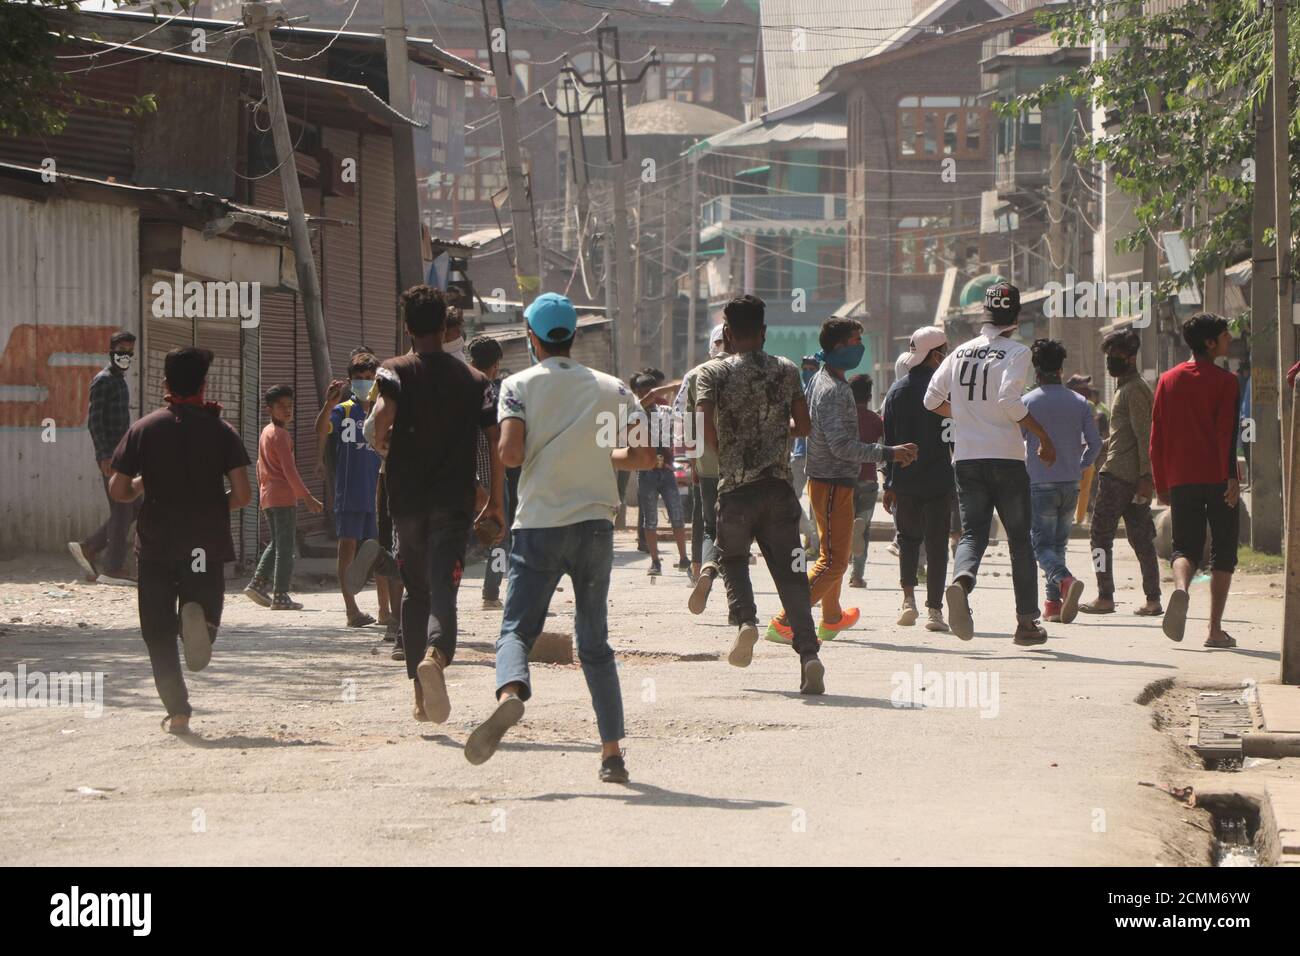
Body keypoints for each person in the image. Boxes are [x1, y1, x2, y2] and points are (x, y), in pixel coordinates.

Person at [463, 293, 655, 782]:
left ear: (532, 338)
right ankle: (612, 754)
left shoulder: (517, 386)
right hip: (594, 527)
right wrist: (596, 456)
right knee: (594, 643)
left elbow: (508, 454)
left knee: (516, 630)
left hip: (539, 527)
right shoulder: (614, 389)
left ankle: (510, 695)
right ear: (570, 336)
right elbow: (643, 457)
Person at [369, 286, 504, 726]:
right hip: (454, 502)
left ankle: (419, 694)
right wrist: (496, 500)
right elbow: (494, 441)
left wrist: (381, 439)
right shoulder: (476, 381)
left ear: (407, 326)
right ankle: (436, 657)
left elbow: (384, 416)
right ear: (446, 329)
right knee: (444, 588)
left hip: (407, 502)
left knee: (416, 592)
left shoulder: (393, 371)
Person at [107, 347, 252, 734]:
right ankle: (200, 620)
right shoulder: (221, 431)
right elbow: (241, 495)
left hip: (156, 545)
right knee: (205, 608)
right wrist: (213, 504)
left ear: (165, 384)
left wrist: (143, 481)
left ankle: (178, 711)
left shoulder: (144, 429)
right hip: (203, 544)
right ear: (205, 386)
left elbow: (119, 490)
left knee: (156, 632)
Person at [696, 295, 825, 694]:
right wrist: (774, 436)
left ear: (728, 333)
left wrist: (734, 452)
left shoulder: (712, 374)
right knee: (791, 577)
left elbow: (705, 434)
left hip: (735, 490)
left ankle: (746, 622)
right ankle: (809, 655)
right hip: (779, 490)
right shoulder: (787, 371)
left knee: (733, 558)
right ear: (765, 332)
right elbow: (803, 426)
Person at [923, 282, 1057, 645]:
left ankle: (961, 582)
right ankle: (1027, 624)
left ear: (984, 316)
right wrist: (1043, 436)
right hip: (1007, 459)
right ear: (1014, 318)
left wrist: (967, 416)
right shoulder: (1017, 352)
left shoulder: (960, 352)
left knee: (972, 534)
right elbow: (1010, 402)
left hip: (966, 459)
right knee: (1019, 543)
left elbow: (931, 399)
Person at [770, 318, 916, 643]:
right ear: (837, 346)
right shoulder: (834, 391)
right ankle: (786, 620)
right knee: (835, 562)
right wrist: (890, 453)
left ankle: (832, 617)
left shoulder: (823, 380)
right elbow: (842, 446)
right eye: (854, 341)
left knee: (832, 553)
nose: (859, 348)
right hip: (833, 480)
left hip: (826, 480)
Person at [1151, 313, 1241, 647]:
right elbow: (1225, 433)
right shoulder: (1226, 381)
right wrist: (1230, 476)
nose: (1229, 339)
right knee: (1223, 551)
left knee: (1184, 546)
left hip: (1180, 477)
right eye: (1225, 334)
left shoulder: (1167, 380)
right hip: (1217, 477)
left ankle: (1180, 589)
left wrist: (1162, 483)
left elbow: (1156, 435)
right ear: (1210, 342)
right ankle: (1214, 630)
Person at [1079, 329, 1162, 616]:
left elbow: (1145, 435)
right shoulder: (1126, 388)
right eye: (1109, 356)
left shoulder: (1134, 389)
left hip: (1121, 477)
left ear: (1130, 357)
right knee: (1141, 539)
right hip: (1125, 474)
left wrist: (1145, 478)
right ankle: (1152, 599)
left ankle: (1105, 596)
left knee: (1100, 537)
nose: (1111, 361)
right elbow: (1128, 435)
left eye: (1116, 356)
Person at [1022, 340, 1102, 624]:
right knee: (1057, 546)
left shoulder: (1027, 403)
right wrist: (1081, 466)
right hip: (1071, 483)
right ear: (1061, 368)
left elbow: (1015, 443)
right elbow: (1095, 443)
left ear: (1036, 369)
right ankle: (1053, 605)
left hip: (1039, 483)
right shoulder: (1080, 402)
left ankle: (1065, 581)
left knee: (1039, 546)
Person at [881, 325, 953, 631]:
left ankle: (908, 600)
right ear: (936, 356)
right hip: (940, 480)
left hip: (905, 480)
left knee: (908, 541)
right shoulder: (947, 392)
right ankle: (934, 611)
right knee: (937, 545)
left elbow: (889, 440)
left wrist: (888, 483)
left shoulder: (895, 392)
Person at [315, 353, 386, 628]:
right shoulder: (343, 410)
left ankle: (384, 610)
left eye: (369, 379)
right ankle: (351, 611)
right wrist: (327, 404)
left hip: (378, 494)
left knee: (380, 553)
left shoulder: (383, 410)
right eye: (359, 379)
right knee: (347, 550)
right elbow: (321, 429)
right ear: (350, 381)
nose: (365, 384)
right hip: (350, 493)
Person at [69, 330, 142, 586]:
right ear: (111, 351)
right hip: (111, 455)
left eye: (129, 351)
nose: (126, 355)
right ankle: (112, 567)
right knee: (123, 509)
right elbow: (95, 421)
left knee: (134, 505)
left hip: (124, 454)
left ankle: (90, 546)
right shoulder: (103, 380)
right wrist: (103, 454)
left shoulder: (119, 379)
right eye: (122, 350)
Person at [245, 385, 323, 610]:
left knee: (278, 542)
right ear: (270, 408)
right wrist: (306, 496)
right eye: (281, 406)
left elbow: (261, 467)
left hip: (269, 496)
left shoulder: (266, 432)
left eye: (289, 406)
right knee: (286, 547)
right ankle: (280, 594)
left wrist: (263, 492)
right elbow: (289, 470)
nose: (287, 410)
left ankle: (258, 583)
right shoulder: (280, 435)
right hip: (282, 497)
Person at [681, 324, 730, 614]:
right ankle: (739, 606)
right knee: (739, 529)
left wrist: (694, 463)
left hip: (708, 466)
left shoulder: (697, 374)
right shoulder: (750, 370)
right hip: (744, 468)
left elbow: (691, 425)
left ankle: (707, 569)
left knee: (711, 527)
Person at [467, 335, 517, 610]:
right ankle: (490, 593)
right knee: (499, 538)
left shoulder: (456, 387)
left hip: (460, 477)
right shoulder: (494, 394)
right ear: (496, 365)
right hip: (491, 479)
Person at [631, 368, 689, 575]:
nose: (649, 396)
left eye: (651, 391)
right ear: (638, 393)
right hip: (646, 472)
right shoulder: (633, 411)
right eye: (644, 392)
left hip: (665, 471)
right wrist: (670, 388)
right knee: (650, 520)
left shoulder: (664, 412)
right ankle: (655, 561)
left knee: (677, 516)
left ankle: (684, 558)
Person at [847, 373, 884, 589]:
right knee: (864, 528)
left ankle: (839, 568)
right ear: (869, 396)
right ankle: (857, 576)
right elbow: (884, 442)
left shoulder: (844, 418)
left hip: (846, 478)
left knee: (843, 527)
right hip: (868, 479)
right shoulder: (875, 420)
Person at [789, 356, 822, 562]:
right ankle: (810, 536)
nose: (808, 371)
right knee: (789, 497)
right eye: (805, 368)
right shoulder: (798, 391)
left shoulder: (820, 390)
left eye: (812, 368)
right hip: (800, 454)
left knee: (815, 503)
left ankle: (814, 544)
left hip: (816, 455)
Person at [1066, 374, 1107, 526]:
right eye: (1083, 385)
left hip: (1081, 450)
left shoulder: (1087, 404)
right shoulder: (1083, 404)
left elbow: (1093, 430)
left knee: (1082, 488)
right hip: (1072, 451)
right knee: (1076, 488)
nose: (1087, 388)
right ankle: (1074, 519)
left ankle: (1077, 519)